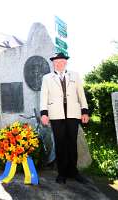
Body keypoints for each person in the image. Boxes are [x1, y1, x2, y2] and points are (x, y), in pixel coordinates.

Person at [40, 52, 89, 184]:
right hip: (56, 115)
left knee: (72, 143)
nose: (59, 63)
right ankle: (62, 173)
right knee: (60, 144)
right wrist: (44, 113)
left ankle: (73, 171)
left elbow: (81, 94)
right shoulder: (47, 78)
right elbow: (43, 96)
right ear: (53, 63)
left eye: (61, 61)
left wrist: (84, 111)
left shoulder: (75, 75)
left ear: (65, 62)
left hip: (73, 114)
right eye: (56, 62)